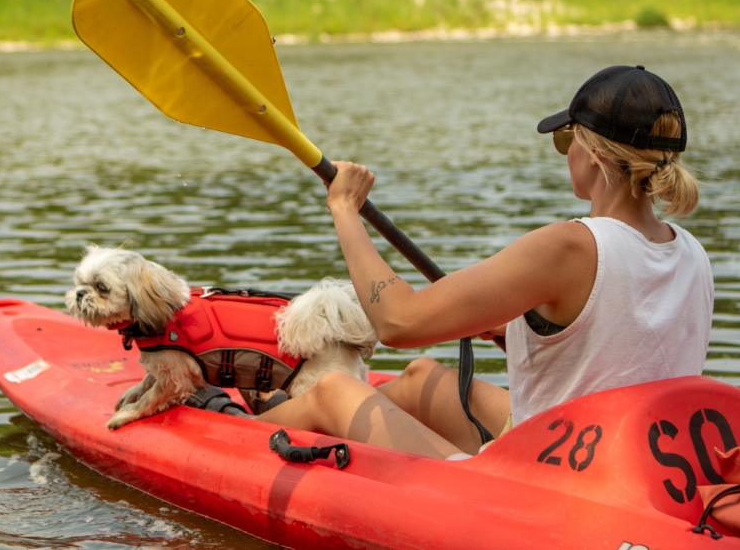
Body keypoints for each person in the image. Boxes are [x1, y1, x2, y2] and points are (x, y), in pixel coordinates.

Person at [254, 64, 713, 459]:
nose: (565, 152)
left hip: (551, 477)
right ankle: (289, 413)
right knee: (421, 380)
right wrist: (519, 329)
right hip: (621, 454)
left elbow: (397, 322)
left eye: (565, 139)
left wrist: (345, 210)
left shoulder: (571, 246)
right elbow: (617, 354)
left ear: (592, 153)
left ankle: (237, 429)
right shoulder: (691, 251)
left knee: (335, 392)